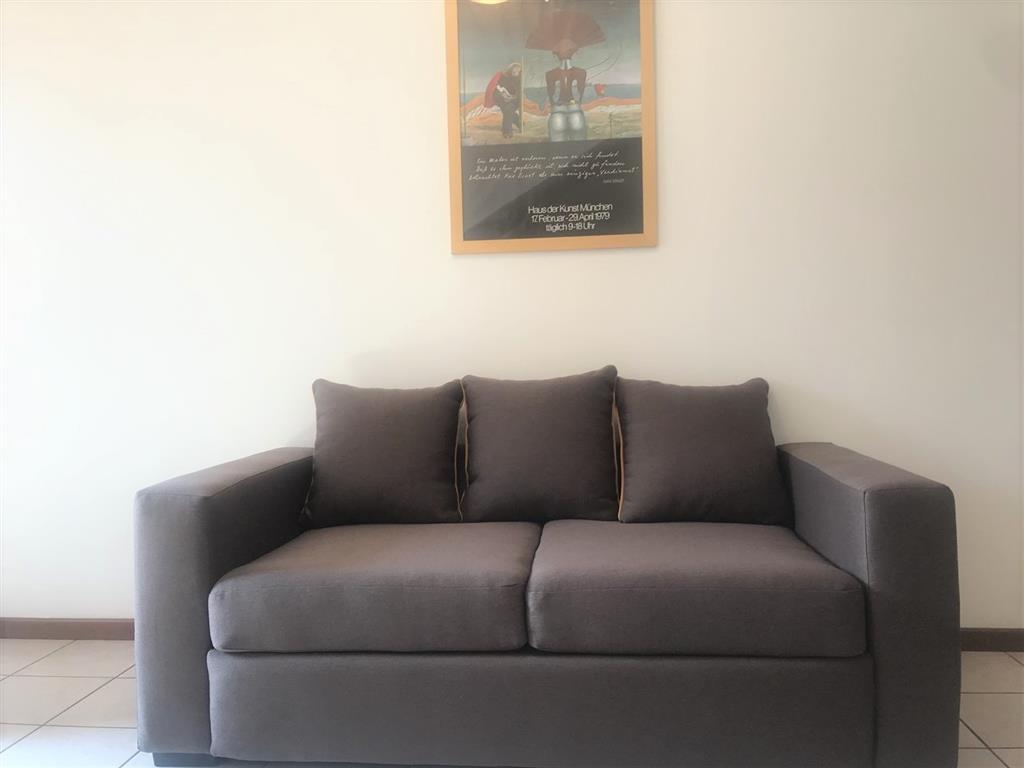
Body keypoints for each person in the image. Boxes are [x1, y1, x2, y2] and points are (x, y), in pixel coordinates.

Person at [485, 63, 522, 139]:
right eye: (514, 70)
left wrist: (511, 98)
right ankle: (515, 124)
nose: (516, 72)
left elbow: (519, 94)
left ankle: (508, 130)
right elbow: (495, 88)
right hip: (501, 99)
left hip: (513, 100)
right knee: (508, 108)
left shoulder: (518, 80)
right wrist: (502, 95)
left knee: (509, 108)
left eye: (518, 71)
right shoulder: (502, 76)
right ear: (510, 69)